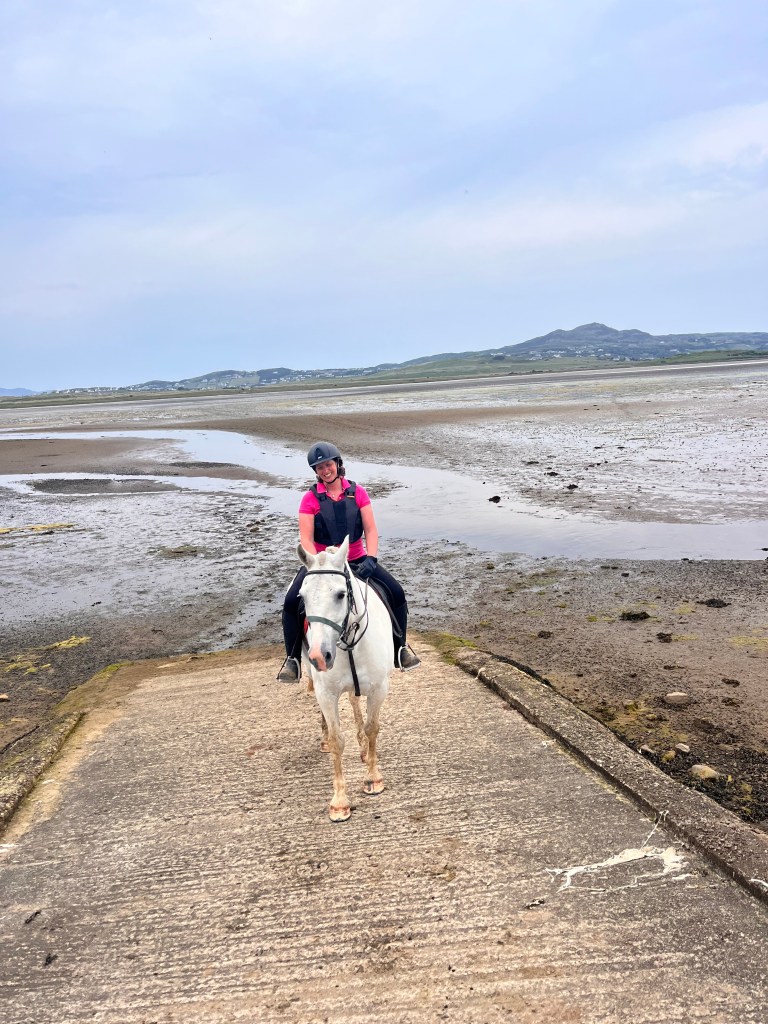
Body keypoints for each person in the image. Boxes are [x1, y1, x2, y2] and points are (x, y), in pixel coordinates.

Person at [277, 441, 421, 682]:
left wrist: (371, 558)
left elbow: (371, 530)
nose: (325, 470)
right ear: (315, 471)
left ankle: (401, 649)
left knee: (396, 592)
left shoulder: (358, 493)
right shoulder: (309, 500)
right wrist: (316, 564)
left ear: (337, 464)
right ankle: (292, 659)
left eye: (328, 465)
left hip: (356, 560)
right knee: (291, 602)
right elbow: (306, 539)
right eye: (320, 467)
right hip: (322, 566)